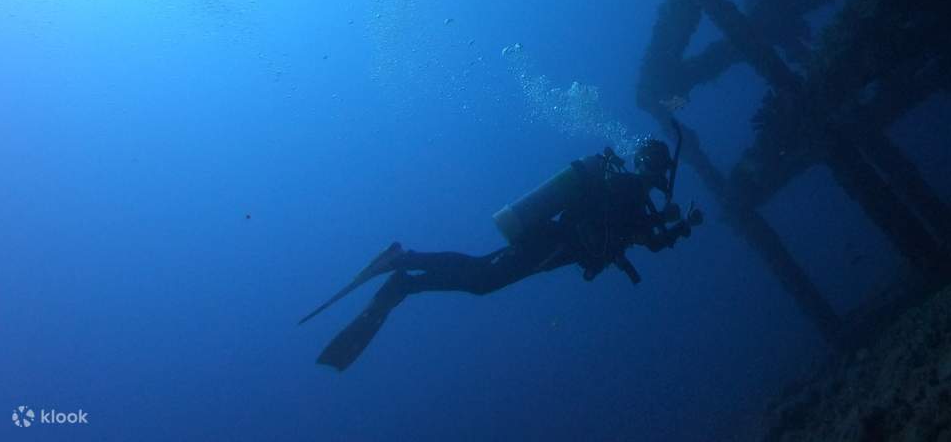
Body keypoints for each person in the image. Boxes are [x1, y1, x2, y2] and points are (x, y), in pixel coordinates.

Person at [299, 138, 702, 370]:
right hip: (552, 245)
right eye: (660, 169)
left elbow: (643, 238)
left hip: (551, 243)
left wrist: (676, 225)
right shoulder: (631, 190)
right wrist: (676, 224)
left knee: (481, 275)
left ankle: (406, 274)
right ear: (657, 168)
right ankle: (403, 268)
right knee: (482, 278)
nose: (660, 176)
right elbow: (641, 236)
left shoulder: (631, 191)